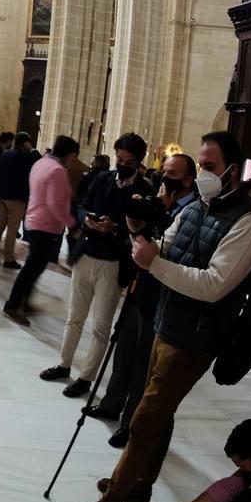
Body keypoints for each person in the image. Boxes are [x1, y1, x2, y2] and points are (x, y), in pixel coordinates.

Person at [68, 130, 251, 502]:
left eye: (209, 166)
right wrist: (136, 225)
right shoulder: (196, 208)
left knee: (144, 418)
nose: (204, 172)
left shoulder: (247, 223)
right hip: (166, 321)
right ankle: (141, 482)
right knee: (162, 411)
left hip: (195, 337)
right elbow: (164, 244)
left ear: (231, 170)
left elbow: (213, 285)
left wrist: (154, 263)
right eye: (201, 163)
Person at [86, 153, 198, 448]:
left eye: (172, 173)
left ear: (188, 180)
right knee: (123, 349)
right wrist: (135, 224)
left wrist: (162, 212)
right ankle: (111, 403)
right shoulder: (156, 201)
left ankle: (129, 422)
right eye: (163, 171)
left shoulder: (191, 212)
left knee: (143, 363)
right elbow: (136, 241)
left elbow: (176, 253)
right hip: (140, 285)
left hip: (163, 295)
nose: (165, 178)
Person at [40, 133, 153, 398]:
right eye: (120, 158)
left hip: (113, 263)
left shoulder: (144, 190)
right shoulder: (101, 178)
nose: (123, 164)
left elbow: (143, 231)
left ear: (139, 162)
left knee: (101, 326)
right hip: (87, 254)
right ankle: (64, 363)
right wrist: (86, 219)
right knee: (74, 316)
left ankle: (86, 377)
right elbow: (81, 205)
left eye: (130, 161)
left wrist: (115, 230)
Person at [1, 135, 80, 325]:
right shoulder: (57, 171)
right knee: (32, 268)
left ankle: (25, 302)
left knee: (35, 265)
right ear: (69, 154)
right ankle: (12, 305)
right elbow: (56, 204)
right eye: (73, 156)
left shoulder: (41, 163)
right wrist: (72, 224)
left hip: (34, 220)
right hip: (46, 225)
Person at [0, 132, 37, 267]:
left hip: (3, 195)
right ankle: (8, 258)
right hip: (17, 198)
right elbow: (37, 159)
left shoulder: (6, 153)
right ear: (25, 143)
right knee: (12, 229)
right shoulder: (26, 156)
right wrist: (31, 149)